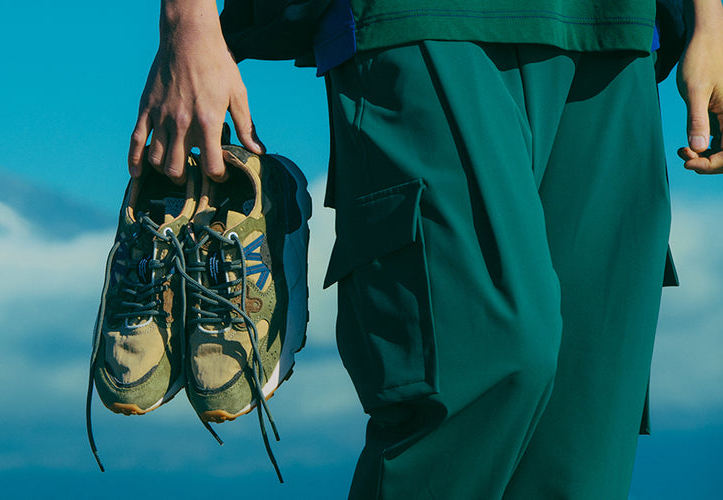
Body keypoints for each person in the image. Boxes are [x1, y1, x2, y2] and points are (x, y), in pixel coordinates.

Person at [129, 0, 722, 497]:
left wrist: (712, 20)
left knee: (582, 438)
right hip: (416, 17)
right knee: (480, 364)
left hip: (620, 32)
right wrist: (187, 21)